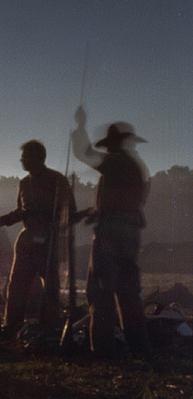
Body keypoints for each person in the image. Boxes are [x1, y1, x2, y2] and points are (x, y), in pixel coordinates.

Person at [72, 106, 151, 358]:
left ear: (115, 143)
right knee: (129, 295)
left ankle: (103, 353)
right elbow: (125, 202)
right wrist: (93, 211)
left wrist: (81, 126)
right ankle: (140, 350)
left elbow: (83, 153)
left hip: (110, 234)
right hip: (130, 234)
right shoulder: (136, 166)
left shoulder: (115, 162)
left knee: (100, 293)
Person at [0, 140, 76, 339]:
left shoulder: (58, 180)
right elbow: (20, 211)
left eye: (25, 156)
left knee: (50, 287)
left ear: (37, 157)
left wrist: (54, 221)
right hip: (26, 241)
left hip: (49, 240)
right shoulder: (24, 183)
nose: (22, 160)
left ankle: (49, 328)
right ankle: (11, 326)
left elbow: (70, 212)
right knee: (16, 286)